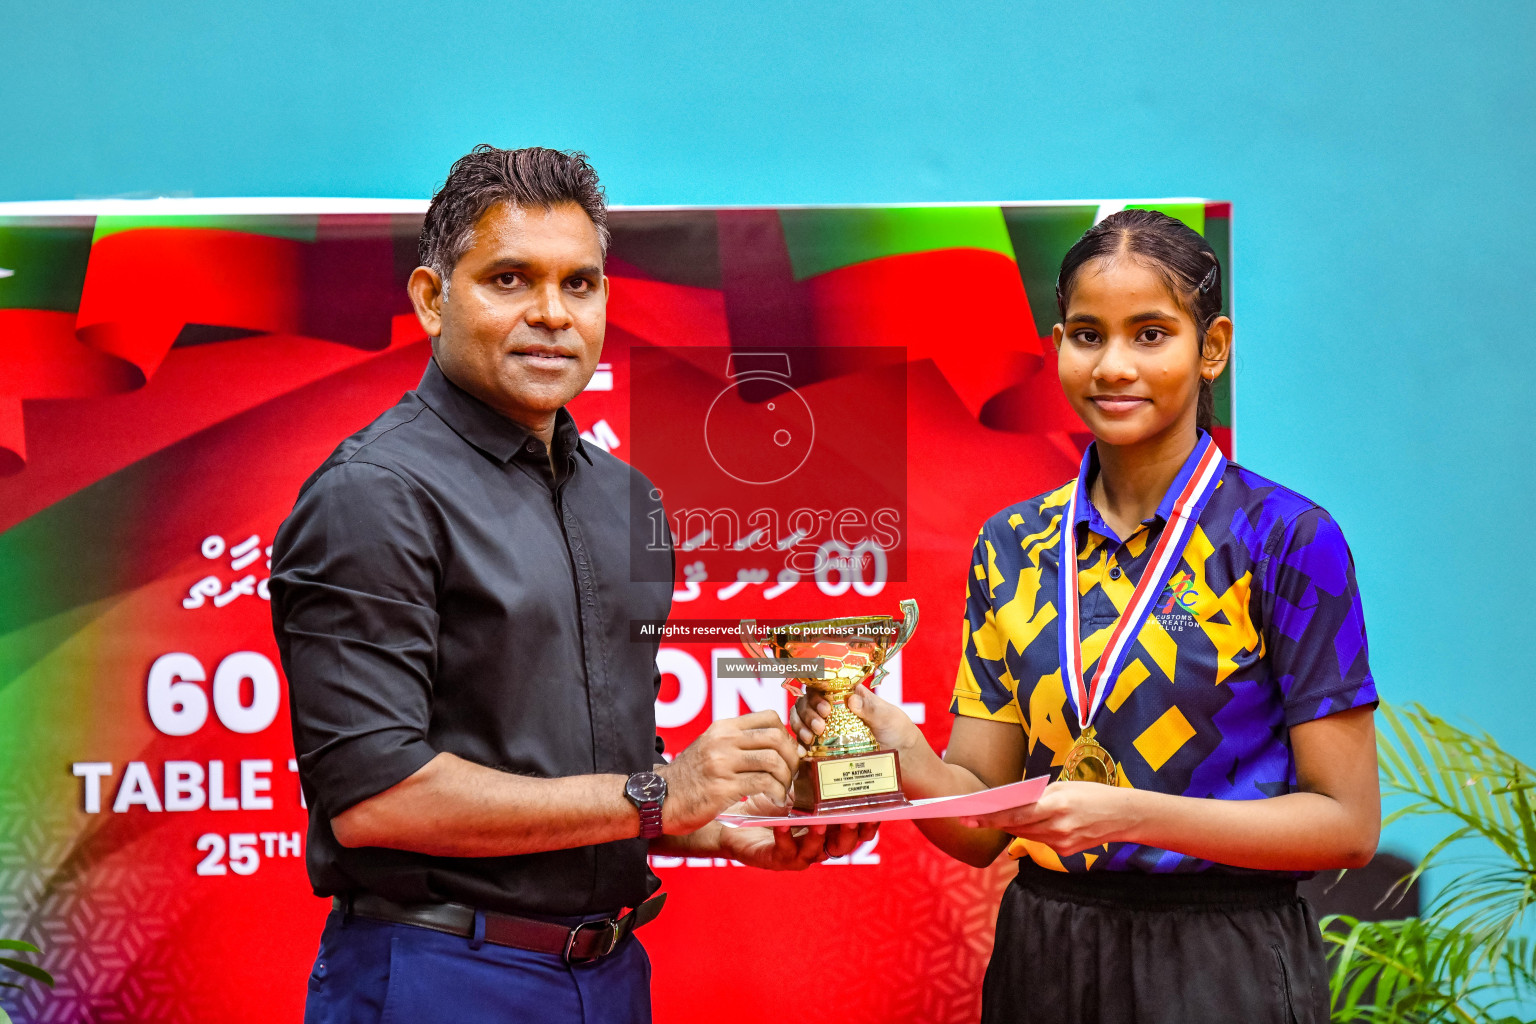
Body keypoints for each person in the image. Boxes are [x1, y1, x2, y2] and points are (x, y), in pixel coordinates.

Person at [271, 146, 870, 1024]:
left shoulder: (624, 498)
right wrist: (662, 795)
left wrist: (721, 826)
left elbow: (594, 771)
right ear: (433, 299)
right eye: (510, 279)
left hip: (612, 971)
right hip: (440, 975)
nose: (551, 314)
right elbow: (374, 798)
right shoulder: (374, 495)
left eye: (579, 284)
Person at [792, 209, 1379, 1024]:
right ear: (1056, 343)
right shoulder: (1014, 544)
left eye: (1150, 334)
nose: (1113, 366)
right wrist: (899, 752)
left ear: (1211, 349)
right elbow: (981, 818)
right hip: (1046, 951)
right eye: (1087, 334)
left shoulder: (1286, 540)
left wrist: (1131, 812)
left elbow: (1345, 825)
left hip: (1223, 958)